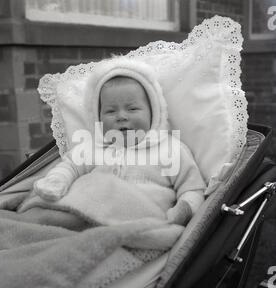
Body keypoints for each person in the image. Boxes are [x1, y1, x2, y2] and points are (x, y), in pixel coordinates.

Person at [34, 58, 206, 226]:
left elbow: (192, 188)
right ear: (98, 117)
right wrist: (56, 182)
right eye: (110, 111)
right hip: (88, 221)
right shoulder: (91, 148)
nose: (122, 116)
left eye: (132, 109)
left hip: (146, 223)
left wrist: (183, 210)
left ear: (154, 112)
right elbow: (69, 167)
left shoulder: (171, 150)